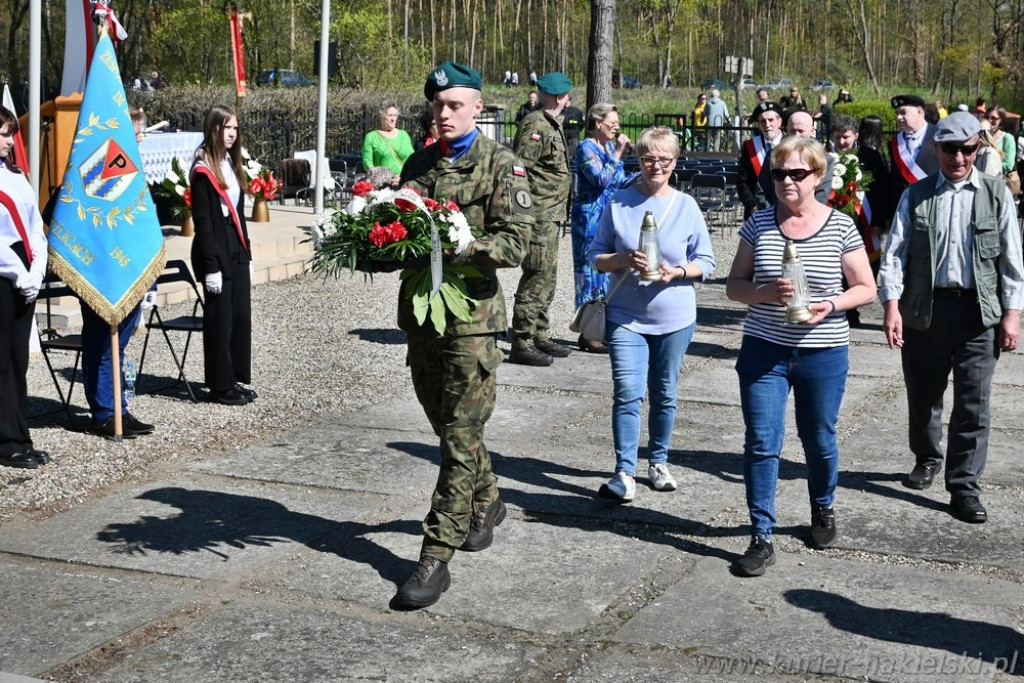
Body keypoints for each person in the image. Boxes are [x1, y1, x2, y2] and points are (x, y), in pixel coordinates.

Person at [393, 61, 533, 609]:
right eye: (437, 105)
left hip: (473, 321)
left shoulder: (503, 166)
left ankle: (435, 552)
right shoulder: (419, 162)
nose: (443, 114)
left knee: (457, 435)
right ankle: (488, 499)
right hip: (424, 318)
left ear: (479, 107)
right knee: (450, 429)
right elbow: (400, 238)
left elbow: (516, 245)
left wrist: (463, 245)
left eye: (454, 105)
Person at [726, 136, 876, 576]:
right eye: (779, 174)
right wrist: (763, 292)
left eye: (797, 174)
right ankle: (761, 535)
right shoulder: (759, 223)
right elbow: (734, 285)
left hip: (822, 351)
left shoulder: (841, 226)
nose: (787, 181)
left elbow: (865, 288)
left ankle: (823, 506)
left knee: (820, 439)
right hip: (764, 350)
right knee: (761, 442)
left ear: (818, 176)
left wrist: (829, 306)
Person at [879, 111, 1023, 524]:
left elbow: (1012, 262)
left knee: (973, 404)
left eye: (967, 149)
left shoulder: (997, 195)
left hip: (979, 313)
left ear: (979, 148)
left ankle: (964, 487)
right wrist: (891, 305)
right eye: (949, 149)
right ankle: (927, 457)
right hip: (926, 310)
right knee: (924, 395)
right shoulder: (917, 194)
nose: (958, 158)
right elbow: (894, 256)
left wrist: (1012, 315)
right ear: (936, 149)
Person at [587, 126, 716, 502]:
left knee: (664, 392)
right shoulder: (619, 202)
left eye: (663, 159)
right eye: (647, 159)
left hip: (675, 317)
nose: (655, 166)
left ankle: (657, 462)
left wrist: (678, 272)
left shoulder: (687, 206)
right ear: (638, 160)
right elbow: (596, 256)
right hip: (626, 316)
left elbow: (706, 261)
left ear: (675, 162)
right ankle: (624, 472)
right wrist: (623, 259)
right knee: (627, 392)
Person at [190, 105, 255, 407]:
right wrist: (210, 265)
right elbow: (203, 222)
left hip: (235, 244)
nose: (232, 134)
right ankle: (220, 385)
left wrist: (247, 255)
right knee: (221, 320)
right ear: (213, 128)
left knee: (240, 315)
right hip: (215, 246)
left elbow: (239, 213)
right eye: (227, 128)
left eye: (235, 128)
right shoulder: (203, 167)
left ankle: (235, 376)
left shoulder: (230, 161)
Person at [510, 72, 574, 366]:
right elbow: (518, 170)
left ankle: (539, 332)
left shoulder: (550, 124)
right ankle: (522, 339)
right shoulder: (536, 125)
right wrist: (521, 214)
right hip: (537, 214)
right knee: (536, 272)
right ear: (561, 97)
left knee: (548, 275)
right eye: (568, 96)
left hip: (551, 213)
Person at [0, 106, 49, 468]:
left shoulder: (17, 175)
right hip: (4, 275)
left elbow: (35, 224)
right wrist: (19, 273)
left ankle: (20, 435)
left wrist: (37, 269)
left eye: (10, 133)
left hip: (26, 273)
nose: (8, 140)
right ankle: (6, 441)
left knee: (18, 360)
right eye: (3, 133)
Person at [570, 103, 634, 353]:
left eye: (618, 123)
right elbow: (600, 180)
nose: (617, 127)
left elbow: (617, 181)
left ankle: (599, 326)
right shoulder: (586, 148)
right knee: (590, 270)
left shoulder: (607, 147)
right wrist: (618, 152)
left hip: (608, 217)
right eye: (612, 123)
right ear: (598, 123)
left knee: (607, 272)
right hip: (589, 219)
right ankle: (588, 331)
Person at [888, 95, 939, 209]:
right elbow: (894, 182)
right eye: (897, 113)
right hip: (902, 208)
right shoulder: (895, 142)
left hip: (932, 206)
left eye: (903, 112)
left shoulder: (939, 137)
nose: (899, 117)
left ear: (920, 112)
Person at [737, 101, 784, 220]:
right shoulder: (750, 146)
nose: (767, 124)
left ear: (779, 122)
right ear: (758, 124)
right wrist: (752, 206)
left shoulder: (792, 144)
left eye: (771, 120)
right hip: (757, 212)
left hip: (786, 208)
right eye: (763, 121)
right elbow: (742, 181)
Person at [787, 111, 834, 206]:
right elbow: (762, 190)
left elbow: (822, 194)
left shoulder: (825, 159)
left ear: (812, 131)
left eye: (801, 131)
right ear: (787, 130)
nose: (796, 135)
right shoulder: (774, 155)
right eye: (793, 131)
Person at [361, 102, 414, 178]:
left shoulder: (404, 135)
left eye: (395, 115)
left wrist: (401, 177)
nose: (393, 119)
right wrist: (382, 177)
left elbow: (412, 160)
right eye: (389, 115)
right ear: (381, 117)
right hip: (382, 183)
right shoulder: (371, 137)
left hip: (402, 181)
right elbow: (367, 163)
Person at [984, 107, 1016, 177]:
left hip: (998, 181)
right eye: (987, 117)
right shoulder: (981, 137)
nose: (989, 120)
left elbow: (1009, 165)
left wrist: (987, 167)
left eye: (993, 118)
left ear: (1001, 120)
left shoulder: (1007, 138)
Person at [561, 95, 585, 163]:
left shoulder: (576, 111)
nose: (566, 102)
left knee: (573, 152)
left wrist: (577, 131)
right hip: (562, 134)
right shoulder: (559, 110)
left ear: (570, 101)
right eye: (565, 100)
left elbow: (581, 123)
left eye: (568, 100)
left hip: (574, 135)